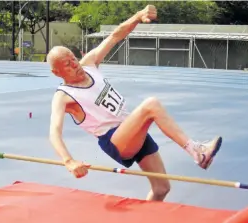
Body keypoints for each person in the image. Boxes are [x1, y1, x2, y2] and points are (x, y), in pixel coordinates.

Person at [47, 5, 223, 201]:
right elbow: (54, 131)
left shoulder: (89, 64)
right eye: (67, 65)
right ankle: (198, 152)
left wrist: (138, 16)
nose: (75, 65)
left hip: (131, 129)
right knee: (151, 105)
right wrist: (68, 161)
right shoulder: (64, 96)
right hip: (115, 140)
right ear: (56, 72)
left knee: (162, 188)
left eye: (73, 59)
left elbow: (115, 35)